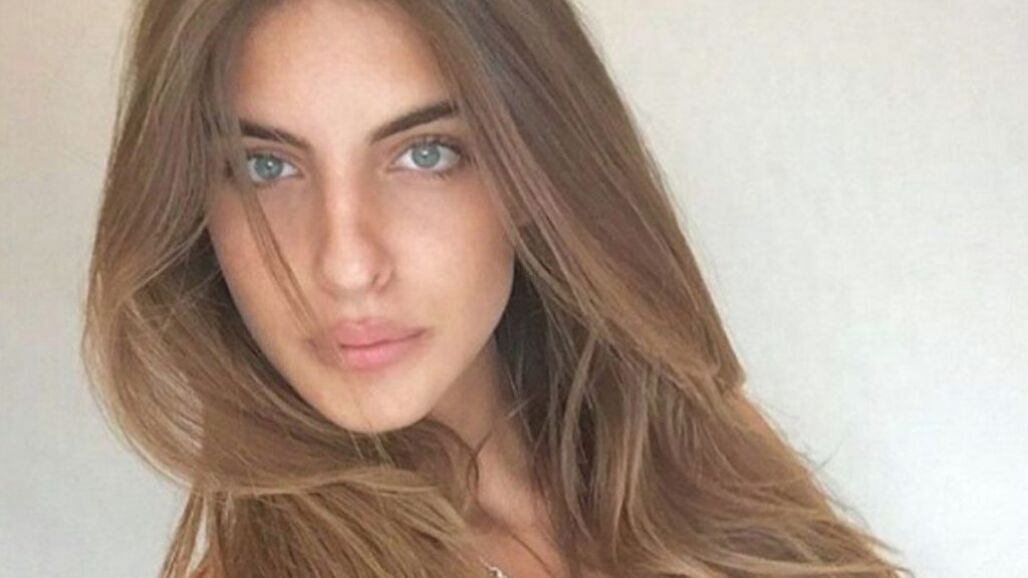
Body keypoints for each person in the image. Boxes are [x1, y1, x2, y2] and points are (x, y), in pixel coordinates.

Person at [81, 1, 913, 577]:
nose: (346, 264)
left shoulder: (692, 443)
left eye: (425, 153)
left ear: (536, 170)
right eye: (266, 167)